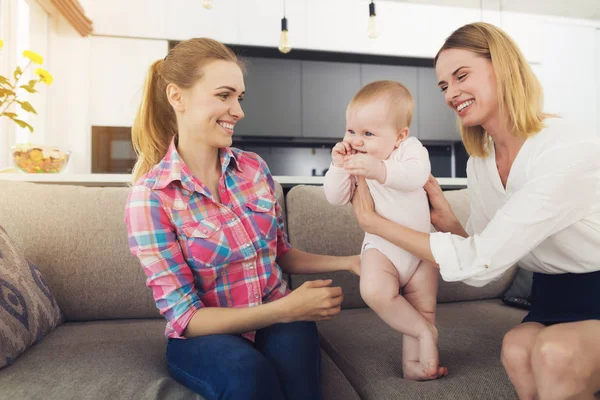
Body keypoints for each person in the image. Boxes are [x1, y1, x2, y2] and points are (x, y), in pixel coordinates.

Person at [350, 22, 600, 399]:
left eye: (461, 75)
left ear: (503, 67)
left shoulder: (567, 148)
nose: (451, 93)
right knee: (515, 351)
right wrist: (450, 224)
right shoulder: (480, 163)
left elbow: (477, 259)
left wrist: (374, 223)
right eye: (444, 85)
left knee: (554, 354)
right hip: (553, 294)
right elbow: (487, 269)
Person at [124, 37, 359, 400]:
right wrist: (286, 308)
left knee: (299, 378)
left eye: (240, 97)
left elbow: (280, 253)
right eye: (224, 95)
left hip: (278, 312)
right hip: (203, 336)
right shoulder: (151, 197)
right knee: (247, 374)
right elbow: (187, 318)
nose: (238, 110)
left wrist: (351, 262)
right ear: (177, 97)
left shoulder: (254, 169)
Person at [323, 80, 447, 381]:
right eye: (351, 131)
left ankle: (414, 366)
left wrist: (379, 170)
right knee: (374, 290)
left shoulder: (409, 150)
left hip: (419, 249)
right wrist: (339, 167)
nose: (357, 141)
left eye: (368, 133)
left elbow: (416, 176)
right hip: (382, 249)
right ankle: (423, 331)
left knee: (423, 307)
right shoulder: (355, 162)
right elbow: (335, 197)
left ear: (399, 136)